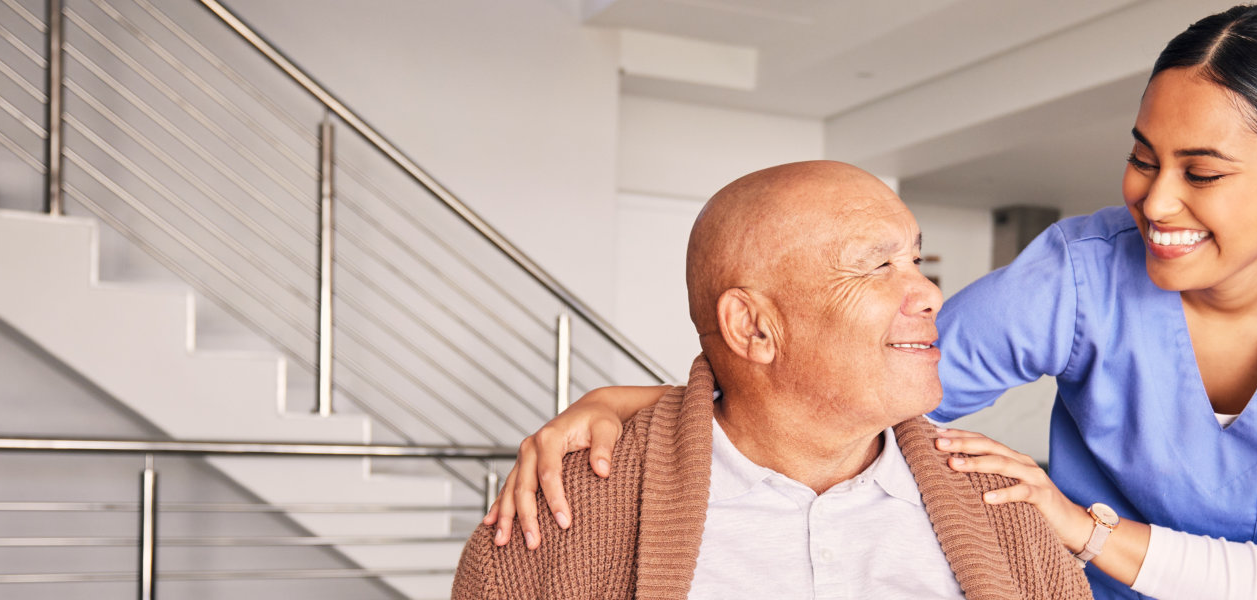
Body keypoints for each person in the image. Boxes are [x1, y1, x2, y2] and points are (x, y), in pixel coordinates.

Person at [484, 5, 1257, 599]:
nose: (1156, 202)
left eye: (1202, 172)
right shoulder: (1082, 268)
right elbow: (859, 380)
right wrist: (667, 411)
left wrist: (1079, 528)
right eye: (1143, 157)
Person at [451, 161, 1091, 599]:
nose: (928, 291)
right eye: (877, 267)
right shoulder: (564, 510)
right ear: (753, 327)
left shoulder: (1006, 506)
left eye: (916, 260)